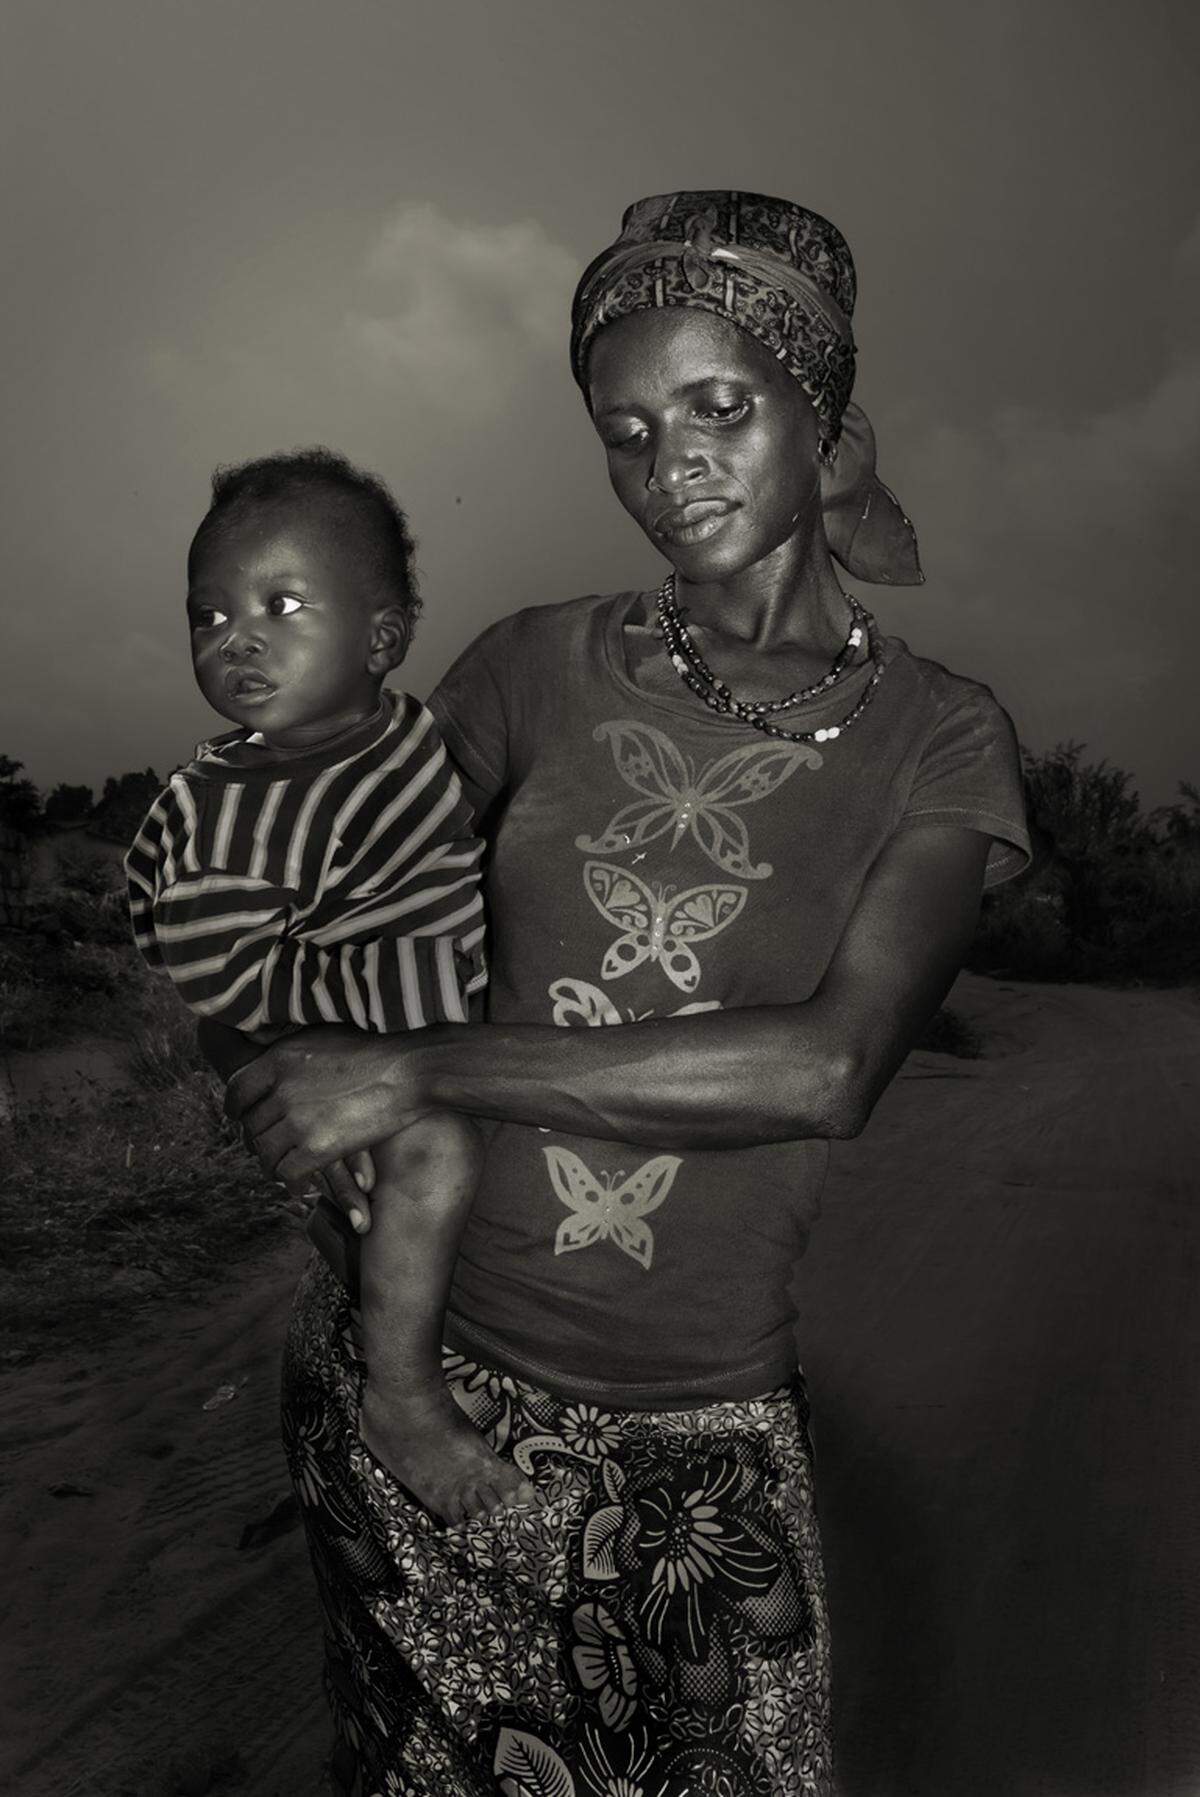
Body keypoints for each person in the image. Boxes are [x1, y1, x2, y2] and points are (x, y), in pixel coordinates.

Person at [221, 193, 1031, 1797]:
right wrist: (345, 1161)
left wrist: (420, 1069)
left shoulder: (940, 740)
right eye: (628, 430)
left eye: (721, 408)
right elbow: (336, 922)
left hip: (692, 1439)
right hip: (417, 1384)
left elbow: (830, 1067)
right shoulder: (533, 666)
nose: (672, 467)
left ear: (835, 427)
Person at [125, 448, 535, 1520]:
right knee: (427, 1158)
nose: (236, 639)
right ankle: (401, 1399)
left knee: (398, 1218)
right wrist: (280, 1057)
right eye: (207, 617)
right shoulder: (221, 802)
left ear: (383, 640)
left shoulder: (411, 744)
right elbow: (198, 959)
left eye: (281, 604)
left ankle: (391, 1331)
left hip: (434, 1037)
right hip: (357, 1067)